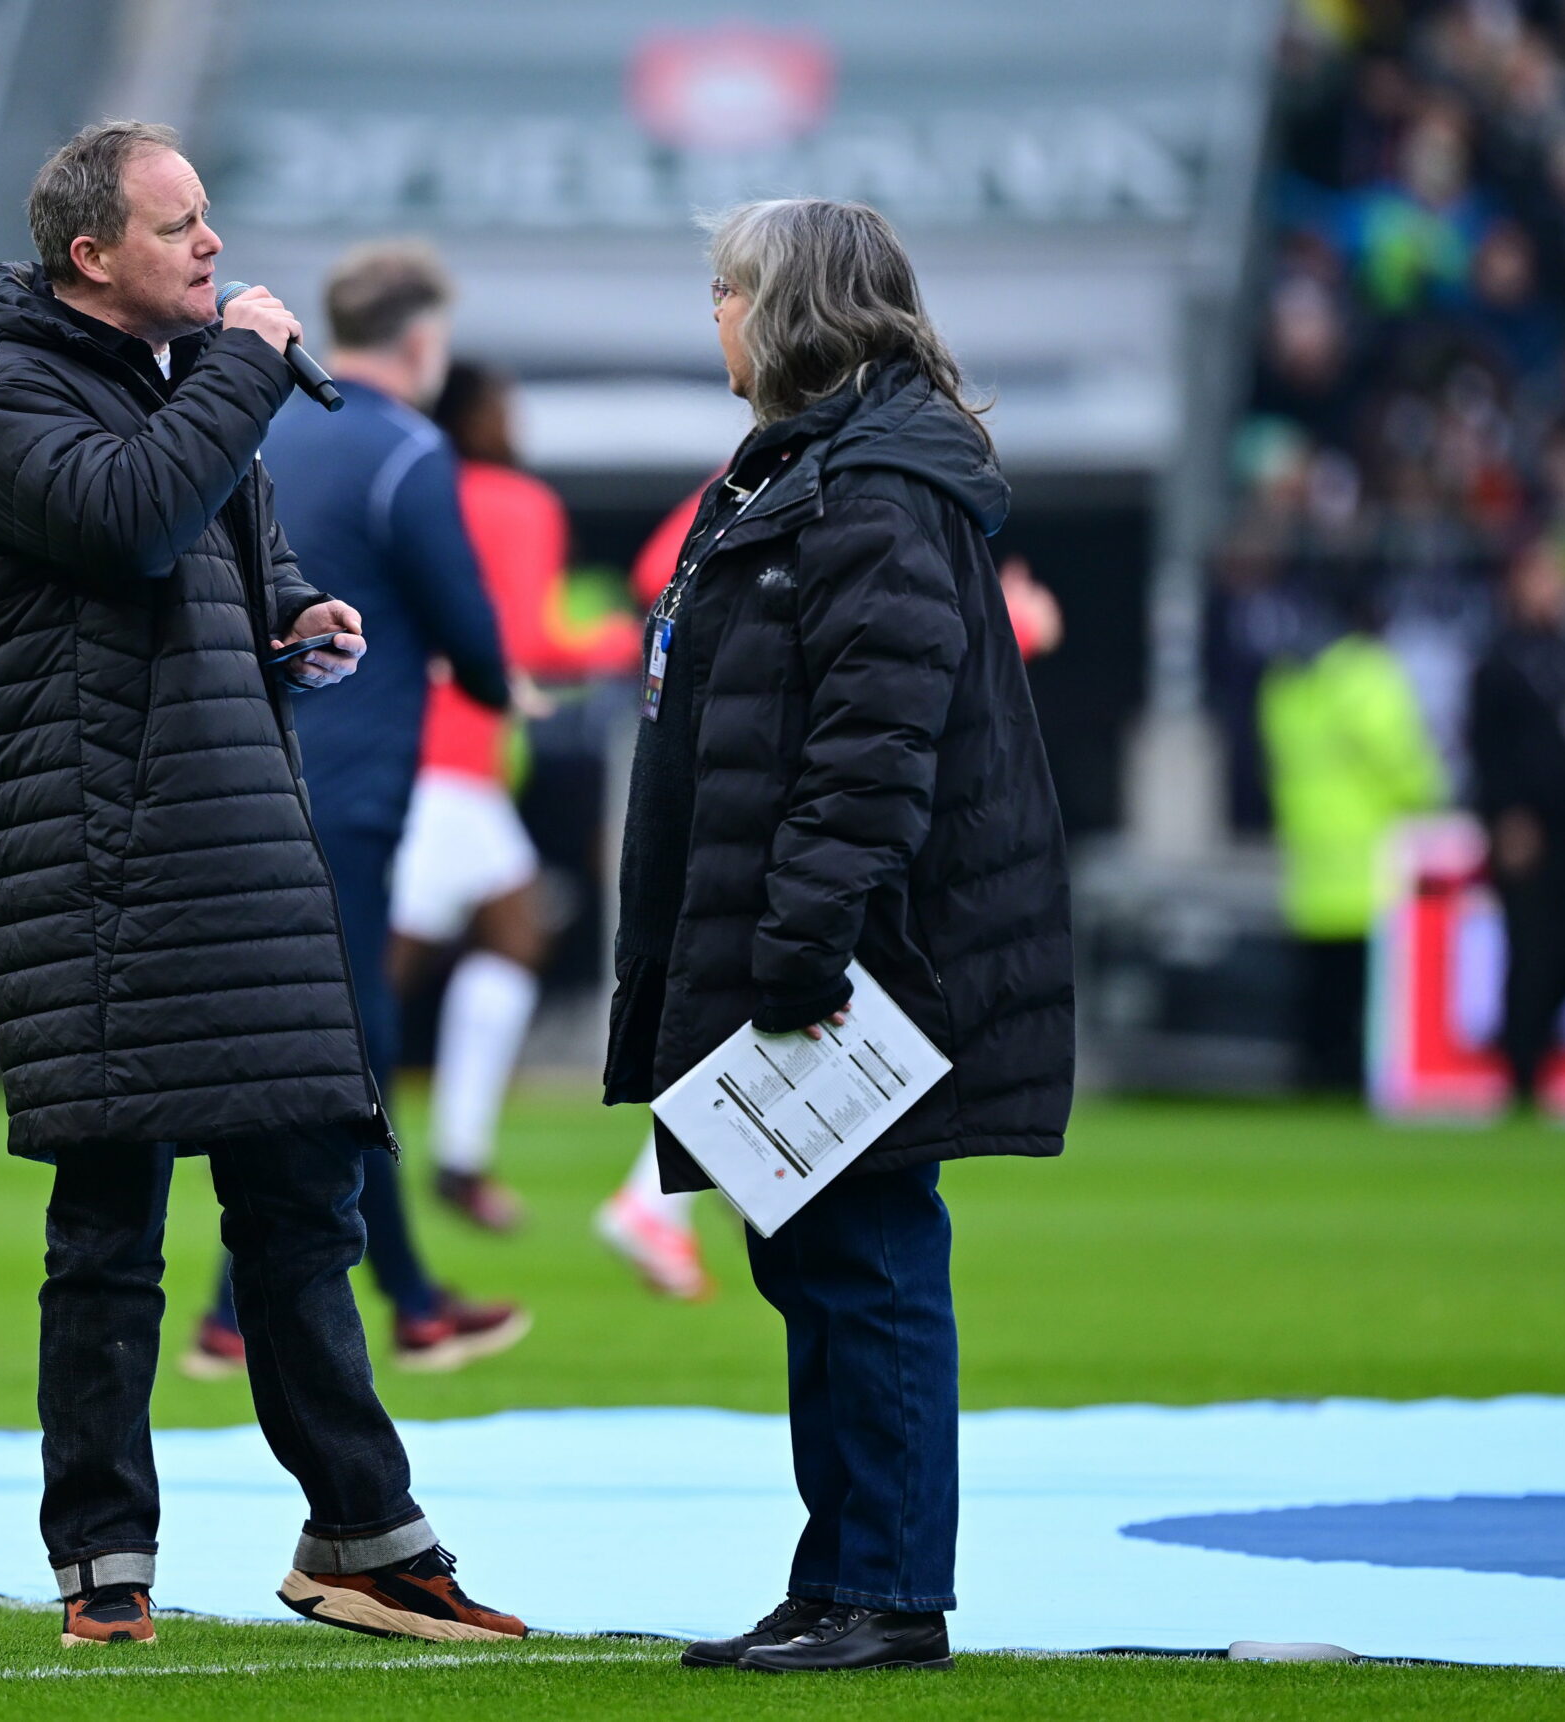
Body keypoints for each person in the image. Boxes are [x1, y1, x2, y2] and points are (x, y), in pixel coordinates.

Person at [0, 120, 525, 1649]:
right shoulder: (5, 390)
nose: (213, 243)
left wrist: (294, 622)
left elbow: (211, 565)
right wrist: (248, 368)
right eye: (180, 223)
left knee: (300, 1198)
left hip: (229, 843)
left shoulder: (181, 386)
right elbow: (129, 519)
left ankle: (365, 1538)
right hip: (104, 868)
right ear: (90, 258)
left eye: (209, 218)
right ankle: (103, 1563)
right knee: (112, 1223)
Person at [603, 198, 1073, 1676]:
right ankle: (841, 1576)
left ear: (792, 310)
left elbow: (873, 752)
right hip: (801, 942)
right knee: (815, 1266)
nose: (718, 317)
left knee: (865, 1267)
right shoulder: (809, 478)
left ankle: (887, 1590)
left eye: (729, 288)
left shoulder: (869, 495)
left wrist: (804, 954)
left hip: (863, 965)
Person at [180, 245, 530, 1377]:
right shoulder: (407, 451)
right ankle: (347, 1309)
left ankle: (327, 1308)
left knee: (311, 1035)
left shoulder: (261, 426)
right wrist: (495, 684)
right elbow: (470, 635)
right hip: (355, 788)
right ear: (422, 342)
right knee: (351, 1039)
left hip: (239, 773)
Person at [394, 361, 639, 1234]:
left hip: (405, 752)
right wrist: (621, 639)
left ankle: (454, 1158)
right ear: (472, 418)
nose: (514, 425)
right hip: (449, 763)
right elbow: (531, 638)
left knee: (509, 930)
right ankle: (328, 1144)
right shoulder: (514, 501)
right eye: (503, 409)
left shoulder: (410, 482)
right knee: (381, 978)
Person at [1257, 589, 1445, 1092]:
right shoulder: (1367, 676)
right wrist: (1434, 800)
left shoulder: (1283, 686)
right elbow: (1405, 764)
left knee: (1317, 993)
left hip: (1309, 863)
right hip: (1371, 863)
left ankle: (1314, 1078)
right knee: (1370, 998)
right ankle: (1356, 1081)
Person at [1469, 537, 1565, 1108]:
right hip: (1523, 831)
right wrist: (1504, 816)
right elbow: (1487, 748)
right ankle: (1522, 1073)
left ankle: (1526, 1039)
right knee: (1529, 951)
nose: (1557, 590)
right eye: (1544, 578)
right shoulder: (1501, 662)